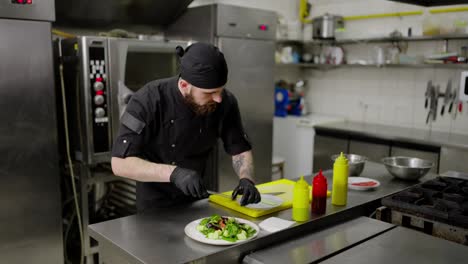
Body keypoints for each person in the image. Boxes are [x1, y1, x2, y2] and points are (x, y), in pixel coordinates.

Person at [111, 42, 261, 212]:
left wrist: (246, 178)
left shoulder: (225, 102)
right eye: (209, 93)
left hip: (199, 199)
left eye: (220, 90)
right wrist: (175, 174)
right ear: (184, 85)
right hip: (154, 206)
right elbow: (119, 164)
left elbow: (239, 149)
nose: (218, 98)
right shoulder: (148, 99)